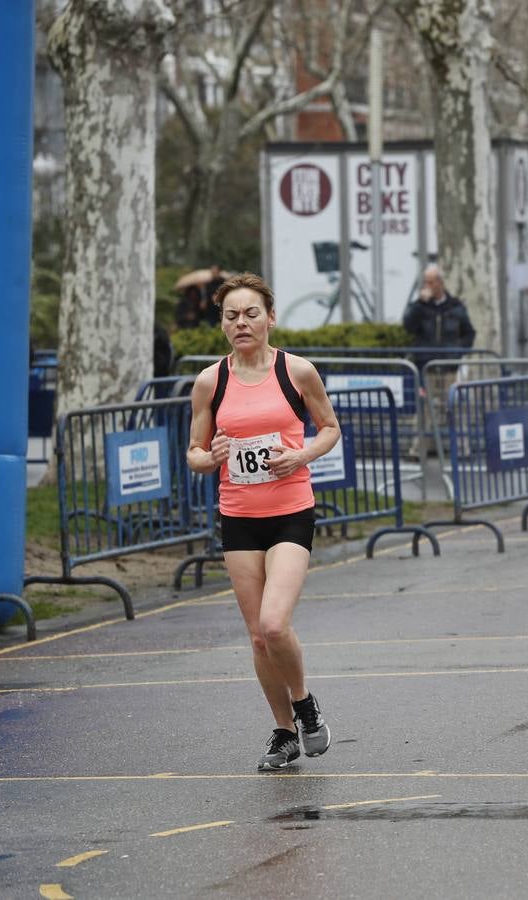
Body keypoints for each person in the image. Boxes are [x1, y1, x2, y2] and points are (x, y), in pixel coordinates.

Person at [186, 273, 342, 770]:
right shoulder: (212, 381)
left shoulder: (296, 372)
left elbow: (330, 429)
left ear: (270, 317)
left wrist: (301, 457)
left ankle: (305, 707)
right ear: (223, 325)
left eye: (251, 313)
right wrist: (208, 458)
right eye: (231, 316)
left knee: (275, 624)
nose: (242, 323)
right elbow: (194, 451)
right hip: (238, 519)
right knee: (256, 635)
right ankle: (283, 732)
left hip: (291, 512)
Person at [403, 264, 477, 457]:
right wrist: (419, 303)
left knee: (457, 407)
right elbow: (408, 326)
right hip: (427, 367)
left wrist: (459, 352)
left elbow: (469, 332)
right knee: (424, 410)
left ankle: (462, 449)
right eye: (425, 281)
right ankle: (418, 450)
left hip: (450, 367)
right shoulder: (420, 306)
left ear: (440, 283)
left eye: (430, 281)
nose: (427, 285)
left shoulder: (455, 306)